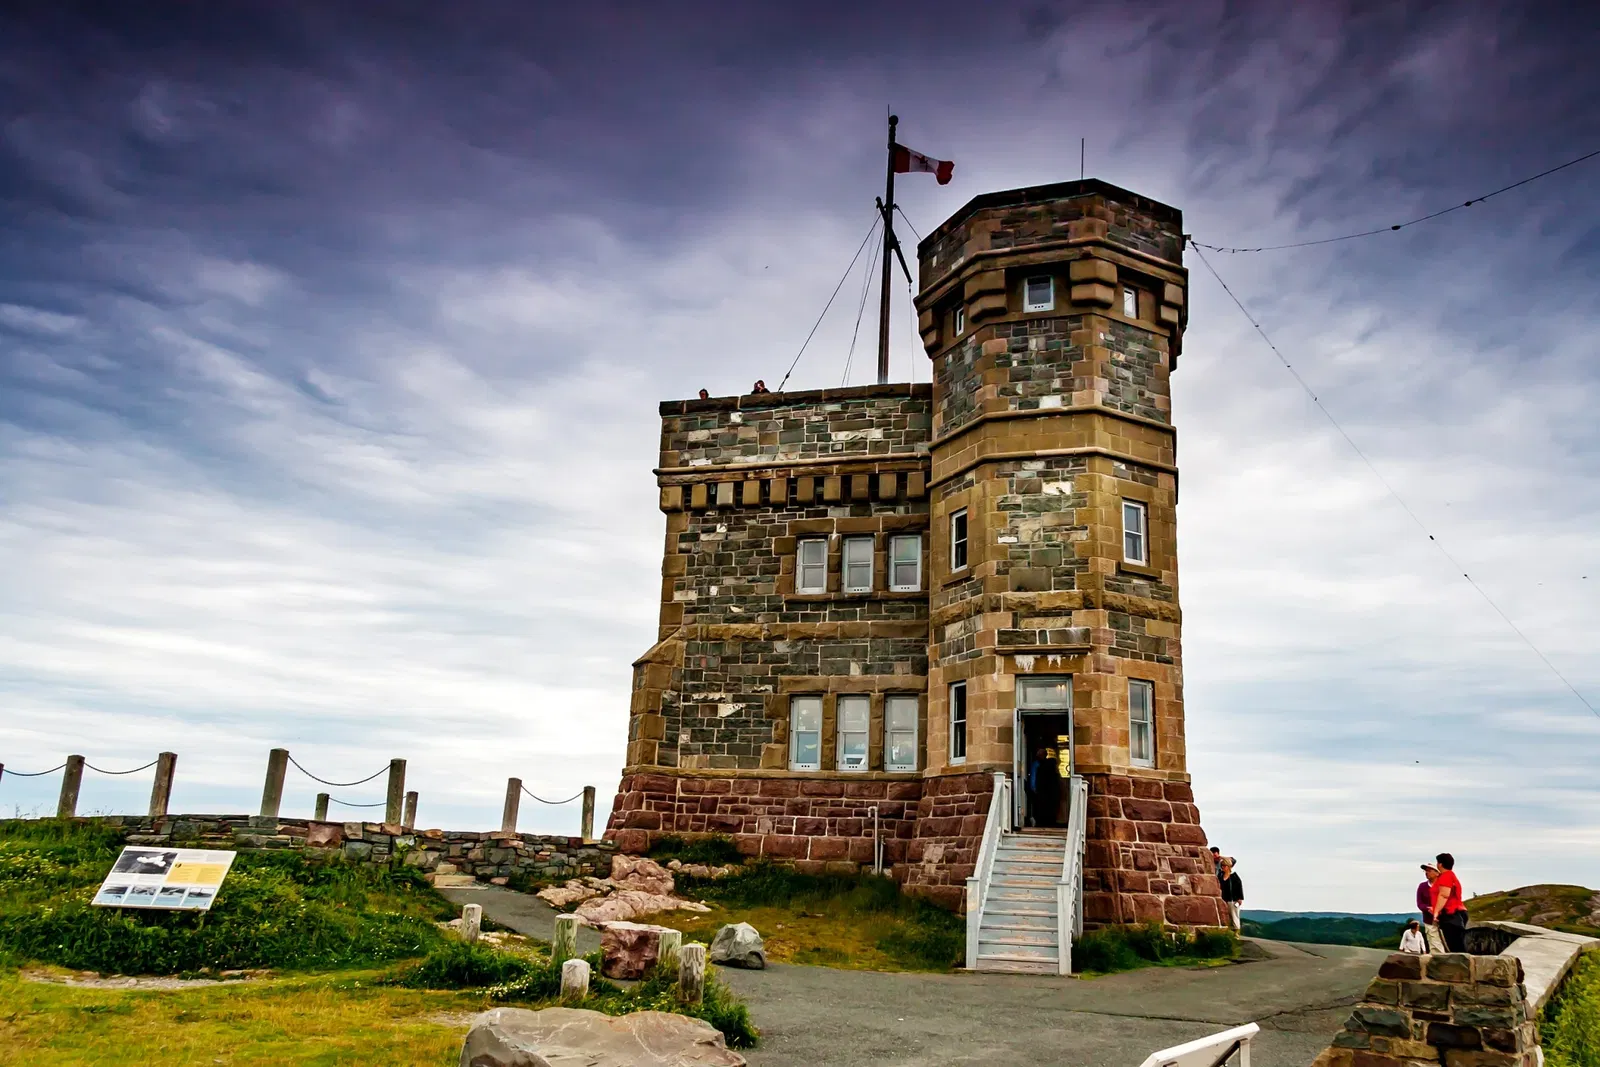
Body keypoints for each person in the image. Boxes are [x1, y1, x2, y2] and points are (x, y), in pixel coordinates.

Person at [1430, 852, 1468, 953]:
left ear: (1440, 864)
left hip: (1451, 913)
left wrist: (1436, 912)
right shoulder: (1451, 876)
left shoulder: (1446, 876)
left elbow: (1444, 895)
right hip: (1456, 913)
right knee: (1456, 945)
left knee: (1455, 946)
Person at [1418, 864, 1446, 953]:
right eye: (1425, 871)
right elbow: (1420, 903)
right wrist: (1427, 908)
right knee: (1434, 943)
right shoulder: (1422, 886)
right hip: (1429, 920)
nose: (1426, 873)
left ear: (1437, 873)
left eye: (1429, 870)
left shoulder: (1444, 885)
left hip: (1444, 919)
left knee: (1446, 942)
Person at [1219, 856, 1244, 932]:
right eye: (1222, 865)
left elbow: (1239, 887)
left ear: (1229, 866)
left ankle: (1236, 933)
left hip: (1233, 900)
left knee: (1234, 916)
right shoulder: (1220, 876)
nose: (1222, 867)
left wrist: (1240, 898)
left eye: (1224, 866)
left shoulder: (1234, 877)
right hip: (1224, 900)